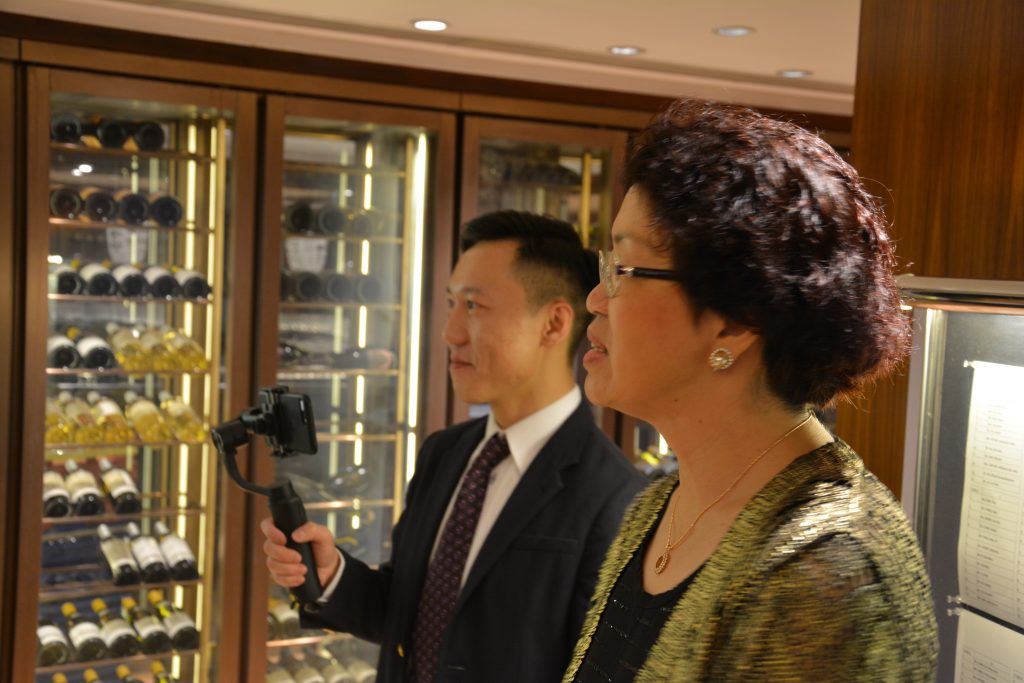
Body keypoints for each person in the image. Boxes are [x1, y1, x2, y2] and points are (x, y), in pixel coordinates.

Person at [563, 100, 939, 682]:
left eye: (624, 270)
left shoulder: (826, 573)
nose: (595, 298)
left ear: (736, 322)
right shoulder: (658, 510)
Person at [262, 210, 646, 683]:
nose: (450, 332)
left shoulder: (614, 498)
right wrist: (333, 574)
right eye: (451, 304)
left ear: (553, 324)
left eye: (474, 306)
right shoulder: (445, 453)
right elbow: (411, 613)